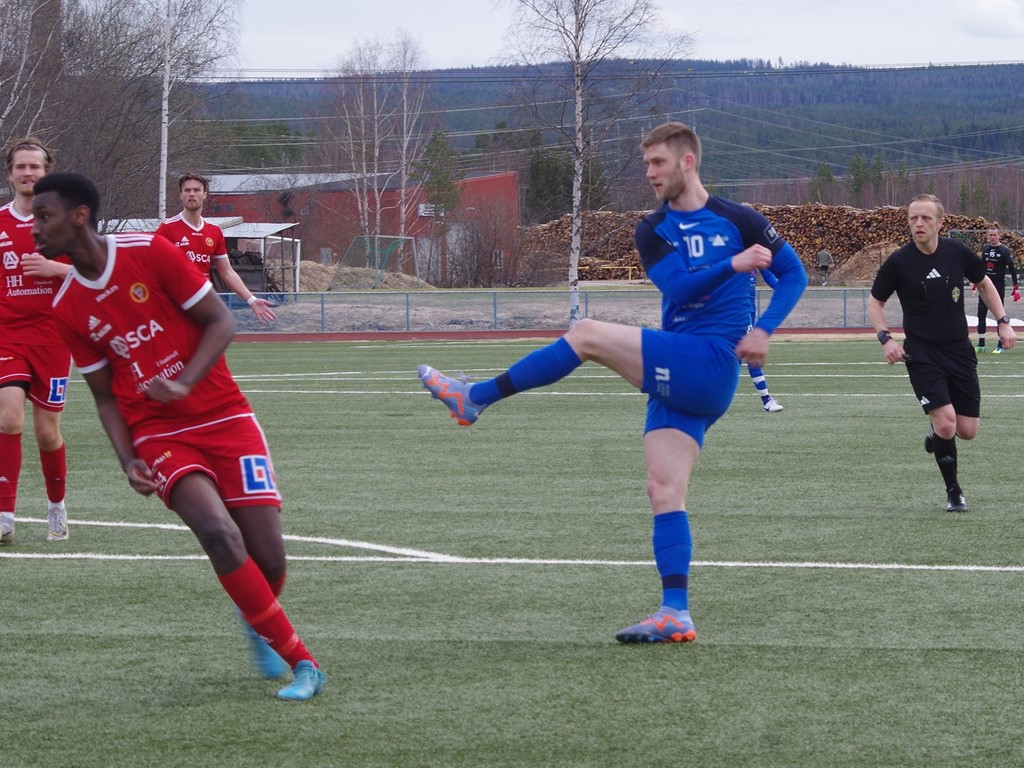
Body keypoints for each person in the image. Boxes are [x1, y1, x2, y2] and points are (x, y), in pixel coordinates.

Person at [417, 121, 807, 644]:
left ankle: (475, 397)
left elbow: (796, 274)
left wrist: (763, 329)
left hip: (710, 361)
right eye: (646, 164)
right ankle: (676, 612)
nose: (649, 173)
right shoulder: (653, 230)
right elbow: (678, 285)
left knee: (586, 333)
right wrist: (732, 265)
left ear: (687, 161)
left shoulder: (742, 219)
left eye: (657, 163)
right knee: (663, 489)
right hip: (683, 364)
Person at [34, 172, 324, 701]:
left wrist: (186, 380)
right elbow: (103, 394)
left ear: (79, 216)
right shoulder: (67, 307)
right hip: (158, 430)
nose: (35, 228)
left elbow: (221, 322)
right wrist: (126, 459)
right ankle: (303, 662)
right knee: (218, 533)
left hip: (224, 414)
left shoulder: (151, 252)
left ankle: (256, 617)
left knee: (270, 557)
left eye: (44, 216)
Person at [868, 194, 1016, 513]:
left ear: (940, 223)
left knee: (967, 431)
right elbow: (875, 302)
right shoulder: (899, 261)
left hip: (959, 350)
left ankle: (937, 436)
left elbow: (986, 284)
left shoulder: (957, 251)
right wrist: (885, 338)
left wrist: (1002, 321)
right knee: (947, 424)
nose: (918, 224)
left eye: (925, 218)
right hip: (921, 352)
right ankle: (954, 493)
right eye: (912, 218)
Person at [0, 137, 71, 544]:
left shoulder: (64, 223)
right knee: (9, 416)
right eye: (21, 167)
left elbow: (94, 275)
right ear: (10, 174)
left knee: (47, 432)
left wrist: (53, 269)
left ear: (47, 173)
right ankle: (5, 515)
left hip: (53, 339)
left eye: (35, 167)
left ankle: (57, 508)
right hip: (8, 335)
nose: (28, 173)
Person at [155, 174, 276, 323]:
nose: (191, 194)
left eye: (196, 190)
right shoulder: (167, 228)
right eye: (187, 190)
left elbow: (227, 272)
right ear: (181, 195)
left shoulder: (214, 231)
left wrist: (251, 300)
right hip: (174, 305)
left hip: (202, 304)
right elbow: (153, 271)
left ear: (205, 194)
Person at [973, 226, 1018, 353]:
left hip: (998, 287)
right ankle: (981, 343)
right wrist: (974, 283)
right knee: (981, 314)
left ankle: (1000, 345)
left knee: (999, 316)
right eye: (990, 235)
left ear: (999, 236)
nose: (992, 237)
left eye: (994, 235)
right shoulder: (985, 249)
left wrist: (1016, 286)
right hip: (984, 287)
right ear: (987, 236)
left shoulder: (1004, 250)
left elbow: (1012, 268)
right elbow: (981, 267)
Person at [750, 269, 783, 412]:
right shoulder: (726, 253)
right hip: (733, 311)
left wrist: (784, 289)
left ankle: (766, 400)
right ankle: (766, 400)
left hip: (748, 310)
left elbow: (768, 275)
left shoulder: (753, 249)